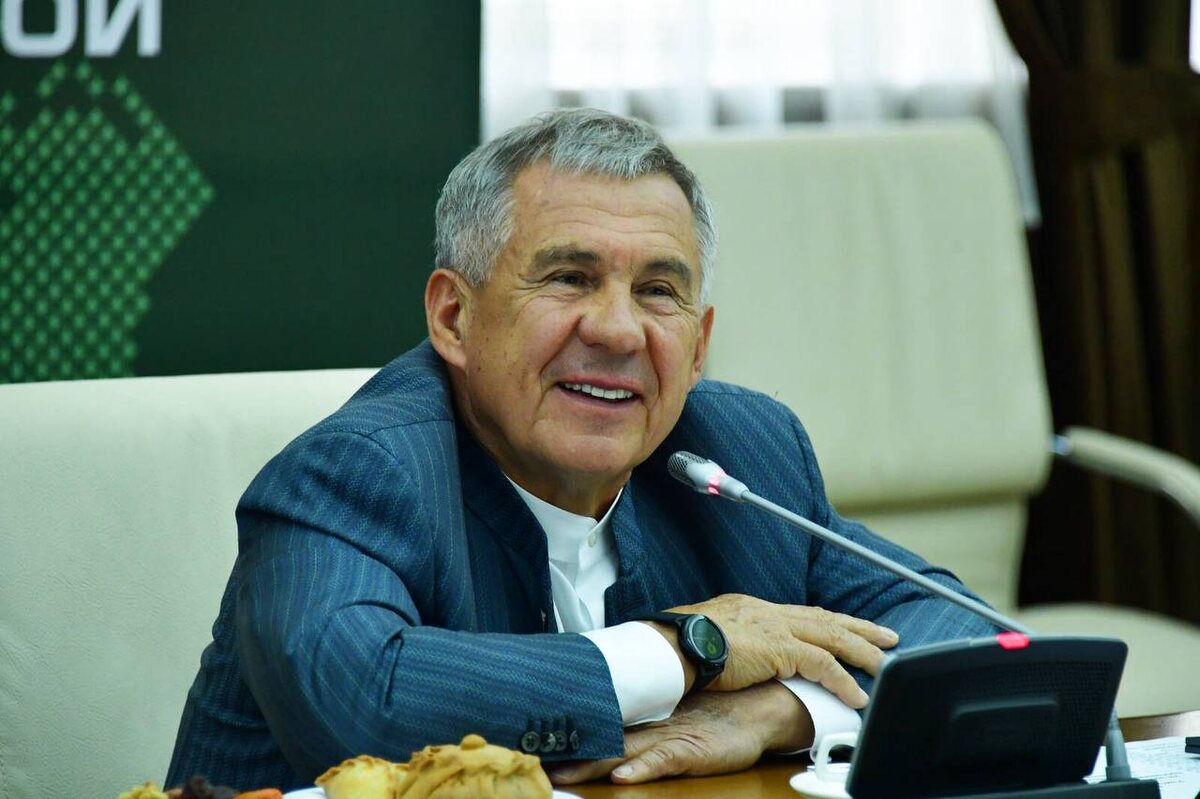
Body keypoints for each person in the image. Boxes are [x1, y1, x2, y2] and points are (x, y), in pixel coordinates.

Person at [166, 108, 995, 791]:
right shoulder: (359, 471)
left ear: (698, 348)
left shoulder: (739, 455)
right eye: (569, 278)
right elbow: (362, 700)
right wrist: (687, 648)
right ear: (454, 316)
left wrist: (778, 710)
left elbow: (965, 631)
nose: (618, 330)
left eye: (657, 291)